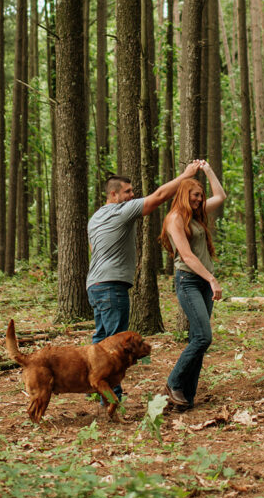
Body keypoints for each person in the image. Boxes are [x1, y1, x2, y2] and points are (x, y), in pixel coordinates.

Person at [86, 161, 204, 400]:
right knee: (117, 346)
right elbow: (158, 196)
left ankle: (101, 393)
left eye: (132, 192)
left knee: (99, 343)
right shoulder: (121, 211)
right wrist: (186, 175)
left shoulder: (95, 218)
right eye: (128, 192)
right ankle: (112, 398)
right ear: (114, 194)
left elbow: (93, 249)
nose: (132, 195)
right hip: (112, 286)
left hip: (95, 286)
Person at [161, 161, 226, 409]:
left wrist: (208, 170)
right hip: (189, 281)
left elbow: (220, 196)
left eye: (200, 196)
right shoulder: (175, 218)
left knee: (197, 338)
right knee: (202, 337)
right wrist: (211, 278)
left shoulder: (196, 216)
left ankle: (186, 397)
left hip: (201, 284)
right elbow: (187, 256)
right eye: (195, 195)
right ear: (184, 195)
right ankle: (173, 383)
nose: (200, 199)